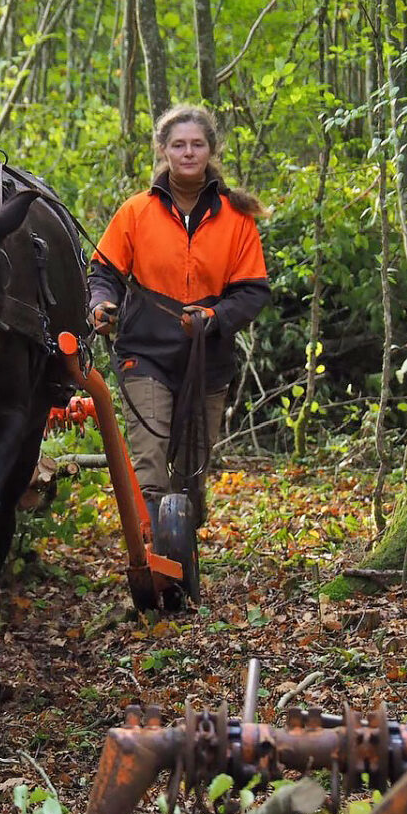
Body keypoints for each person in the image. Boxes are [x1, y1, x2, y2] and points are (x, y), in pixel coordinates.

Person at [88, 104, 271, 530]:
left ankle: (182, 558)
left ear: (211, 150)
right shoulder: (136, 211)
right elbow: (103, 272)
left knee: (191, 480)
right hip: (144, 354)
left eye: (197, 144)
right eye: (178, 145)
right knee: (150, 464)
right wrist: (99, 304)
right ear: (163, 151)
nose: (188, 152)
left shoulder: (238, 217)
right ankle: (156, 565)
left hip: (207, 360)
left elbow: (253, 291)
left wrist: (213, 316)